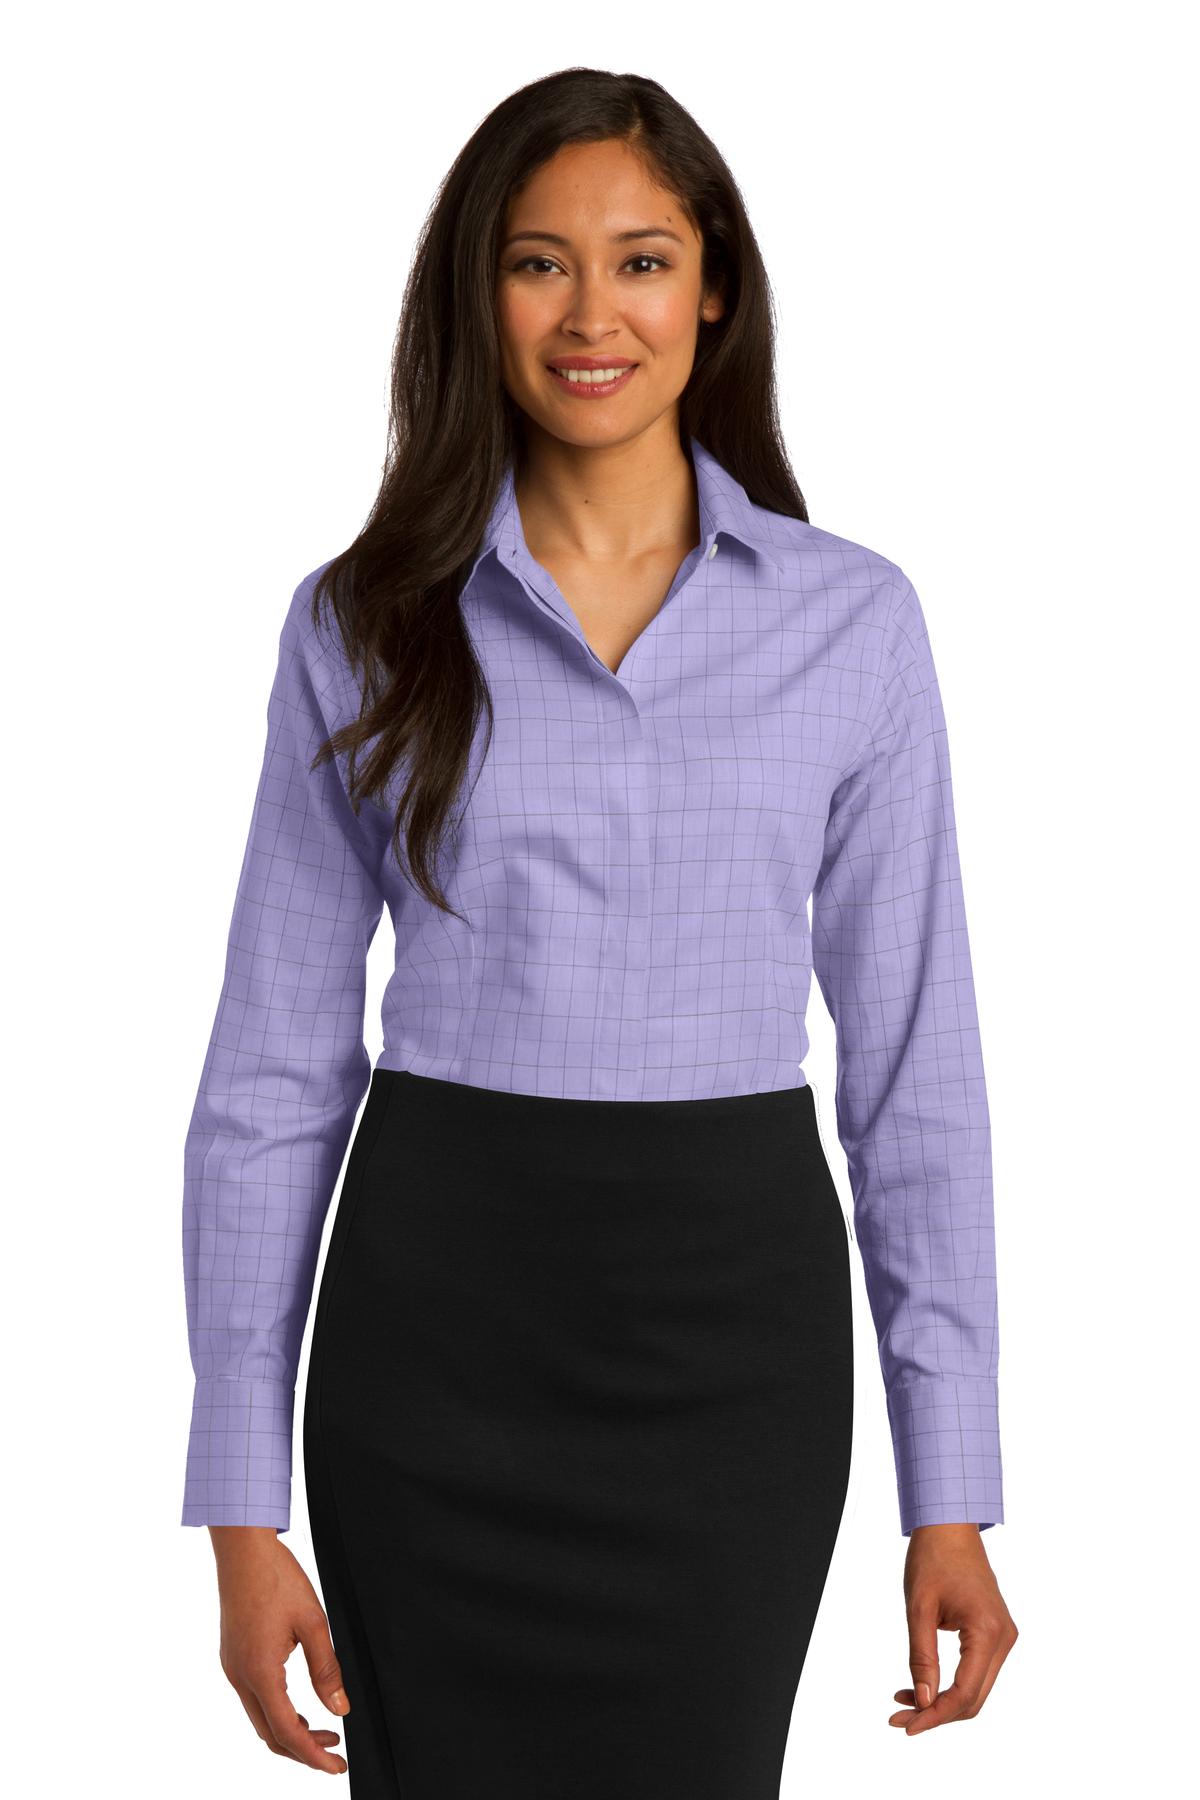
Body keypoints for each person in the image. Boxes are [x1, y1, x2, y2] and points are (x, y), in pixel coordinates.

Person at [180, 67, 1017, 1798]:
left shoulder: (855, 624)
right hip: (434, 1341)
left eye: (640, 261)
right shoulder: (363, 623)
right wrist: (240, 1510)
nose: (590, 314)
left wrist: (952, 1490)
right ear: (476, 294)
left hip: (732, 1351)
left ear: (713, 290)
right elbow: (269, 1074)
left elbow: (915, 1076)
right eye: (537, 262)